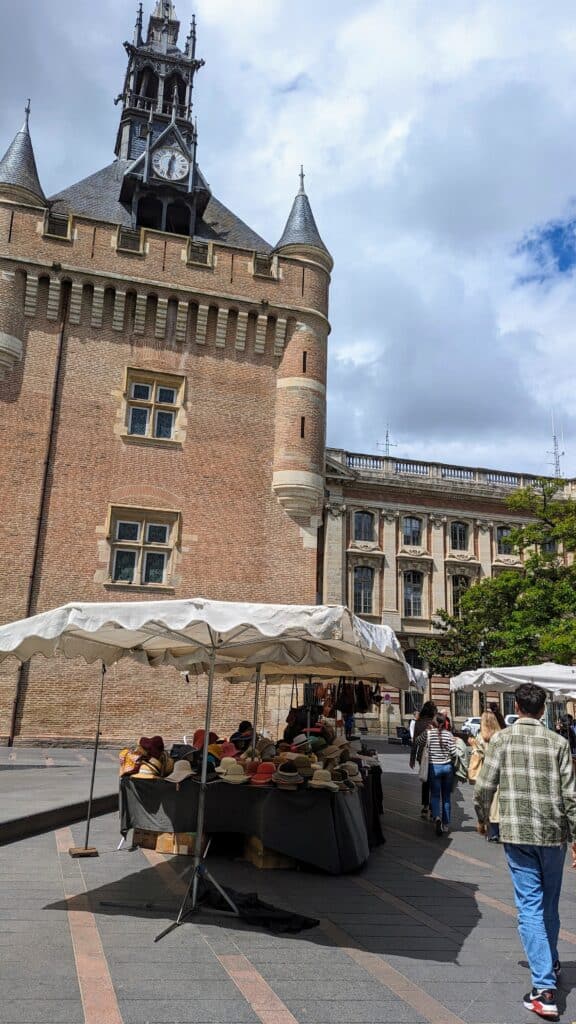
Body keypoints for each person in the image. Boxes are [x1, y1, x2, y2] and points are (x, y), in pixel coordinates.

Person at [475, 683, 576, 1021]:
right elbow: (571, 797)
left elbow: (484, 785)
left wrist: (482, 819)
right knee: (549, 903)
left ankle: (543, 988)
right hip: (553, 834)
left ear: (516, 705)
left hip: (517, 833)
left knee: (530, 905)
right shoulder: (559, 743)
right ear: (544, 709)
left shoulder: (501, 740)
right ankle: (551, 961)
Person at [416, 712, 456, 836]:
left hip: (434, 768)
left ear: (434, 722)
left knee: (434, 795)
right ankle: (445, 824)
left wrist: (428, 730)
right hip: (447, 768)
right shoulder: (449, 735)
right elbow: (454, 753)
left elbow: (418, 741)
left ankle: (437, 817)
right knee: (446, 797)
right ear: (444, 723)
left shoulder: (429, 733)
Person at [470, 711, 501, 841]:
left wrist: (473, 745)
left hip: (485, 774)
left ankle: (490, 829)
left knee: (482, 801)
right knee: (497, 803)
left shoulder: (480, 738)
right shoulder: (500, 736)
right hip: (499, 773)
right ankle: (496, 831)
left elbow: (477, 756)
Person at [409, 700, 437, 817]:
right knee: (433, 781)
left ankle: (425, 806)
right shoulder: (434, 722)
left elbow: (415, 741)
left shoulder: (418, 723)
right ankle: (432, 805)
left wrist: (412, 758)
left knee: (425, 780)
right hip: (434, 755)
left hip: (421, 756)